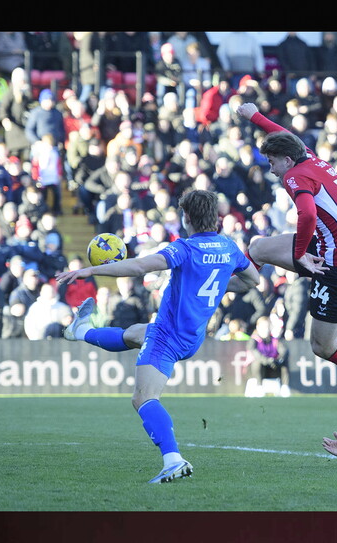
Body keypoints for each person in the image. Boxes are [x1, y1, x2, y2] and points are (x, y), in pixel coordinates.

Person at [55, 189, 261, 483]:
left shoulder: (184, 249)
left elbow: (140, 266)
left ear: (186, 218)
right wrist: (216, 289)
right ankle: (81, 330)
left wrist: (91, 270)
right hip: (192, 336)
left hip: (168, 336)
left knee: (143, 398)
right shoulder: (229, 248)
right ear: (215, 218)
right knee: (137, 333)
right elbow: (252, 280)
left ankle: (173, 459)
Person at [235, 101, 337, 412]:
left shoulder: (294, 176)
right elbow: (286, 135)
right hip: (331, 251)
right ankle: (232, 288)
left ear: (286, 160)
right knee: (257, 248)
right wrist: (253, 117)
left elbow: (306, 214)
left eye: (271, 161)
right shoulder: (311, 160)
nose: (270, 167)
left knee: (322, 345)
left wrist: (300, 256)